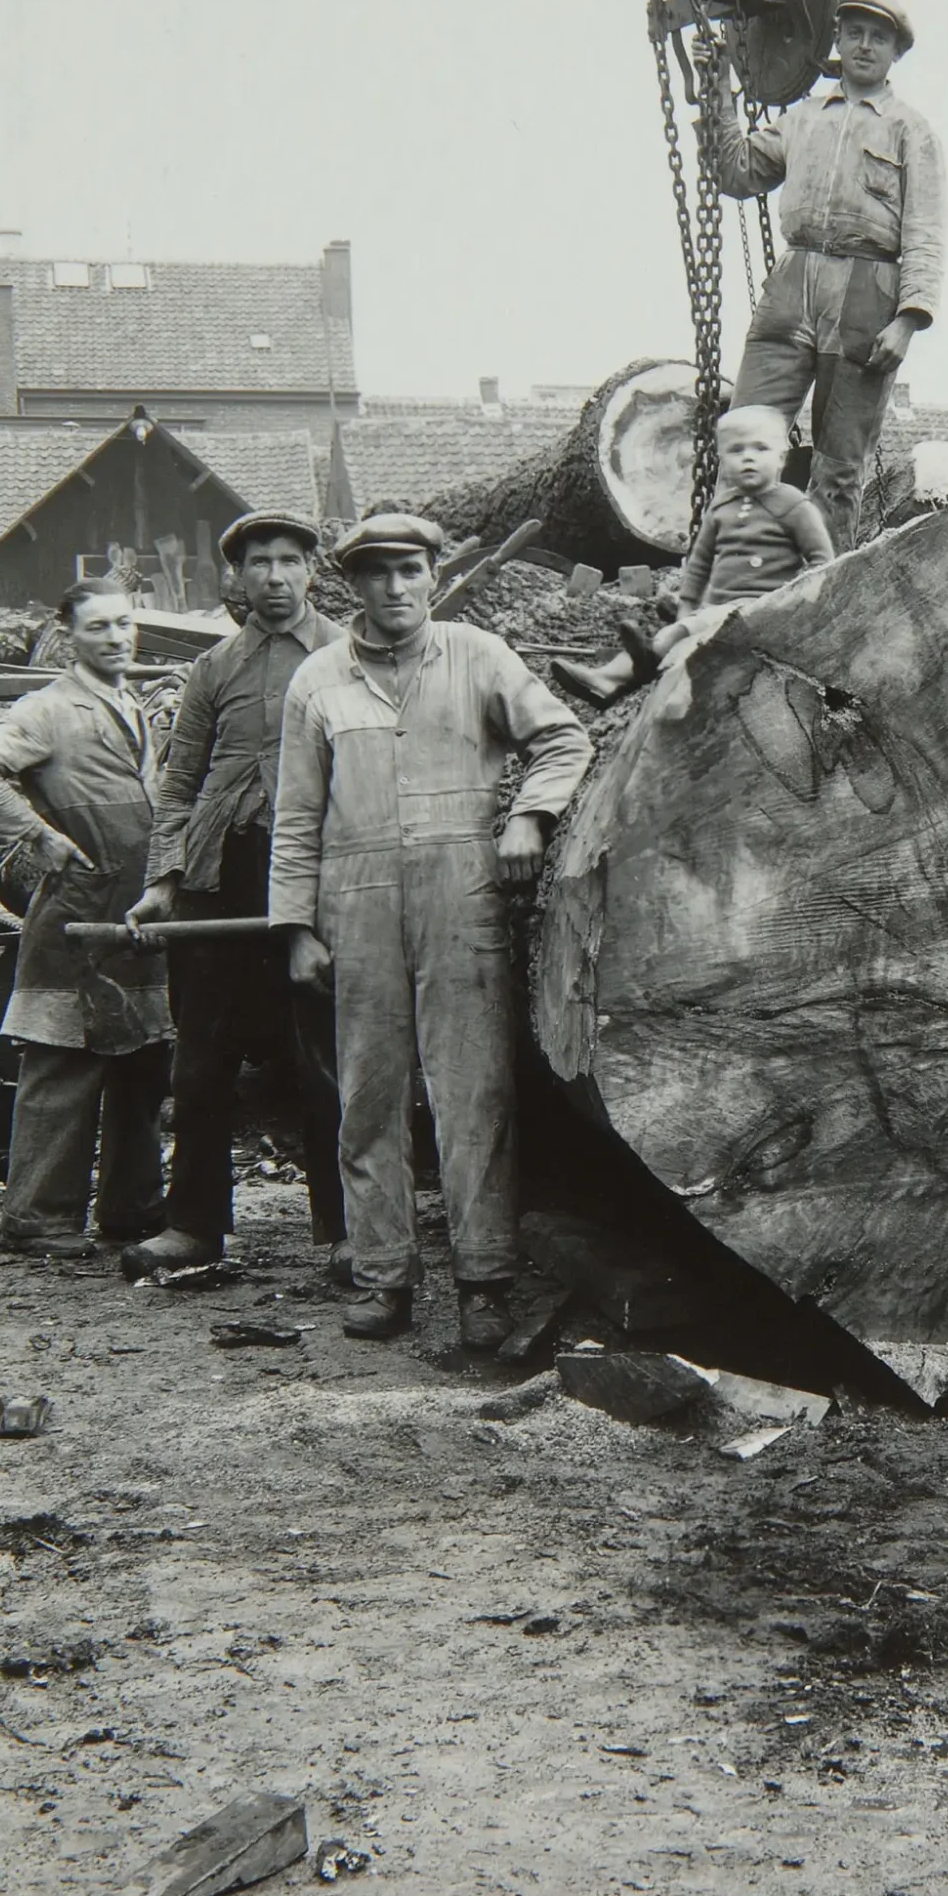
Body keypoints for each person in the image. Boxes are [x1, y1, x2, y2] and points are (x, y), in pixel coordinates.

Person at [267, 514, 594, 1350]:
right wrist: (296, 927)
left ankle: (484, 1283)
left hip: (462, 896)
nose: (395, 587)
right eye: (377, 573)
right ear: (353, 585)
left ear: (432, 574)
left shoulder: (478, 656)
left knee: (473, 1094)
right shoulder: (318, 680)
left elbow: (564, 738)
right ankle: (384, 1278)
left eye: (409, 569)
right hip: (356, 903)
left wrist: (529, 816)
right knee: (367, 1098)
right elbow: (297, 816)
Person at [120, 511, 348, 1280]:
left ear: (311, 570)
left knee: (324, 1061)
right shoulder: (213, 667)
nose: (274, 577)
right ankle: (194, 1227)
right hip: (217, 879)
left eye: (288, 560)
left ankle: (347, 1230)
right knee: (200, 1062)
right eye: (258, 563)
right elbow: (180, 781)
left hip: (314, 875)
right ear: (238, 576)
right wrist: (163, 882)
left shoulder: (348, 656)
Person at [0, 578, 171, 1253]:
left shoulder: (134, 705)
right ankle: (38, 1219)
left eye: (123, 623)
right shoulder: (47, 708)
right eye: (98, 627)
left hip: (137, 916)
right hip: (76, 915)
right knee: (63, 1064)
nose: (116, 637)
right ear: (70, 636)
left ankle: (133, 1212)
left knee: (140, 1065)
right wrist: (38, 835)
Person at [702, 0, 944, 552]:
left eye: (879, 38)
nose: (865, 46)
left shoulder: (910, 131)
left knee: (837, 469)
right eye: (855, 33)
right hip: (792, 286)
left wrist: (908, 319)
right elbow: (737, 173)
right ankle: (729, 579)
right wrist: (716, 86)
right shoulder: (802, 119)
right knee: (745, 438)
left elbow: (926, 231)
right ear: (837, 38)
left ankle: (821, 586)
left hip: (867, 292)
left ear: (896, 52)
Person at [547, 406, 833, 707]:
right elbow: (699, 564)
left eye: (761, 448)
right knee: (680, 629)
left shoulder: (794, 506)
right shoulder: (722, 508)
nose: (748, 458)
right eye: (737, 450)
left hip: (763, 610)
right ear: (722, 459)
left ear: (781, 457)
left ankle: (646, 662)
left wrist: (795, 602)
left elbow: (822, 561)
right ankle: (607, 679)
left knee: (680, 633)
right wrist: (687, 603)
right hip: (722, 606)